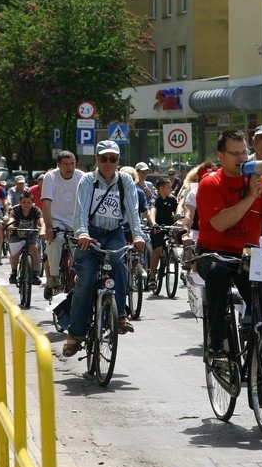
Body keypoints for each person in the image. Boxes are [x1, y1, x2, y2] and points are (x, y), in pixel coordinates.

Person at [196, 129, 262, 358]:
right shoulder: (210, 184)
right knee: (217, 275)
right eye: (235, 154)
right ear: (221, 156)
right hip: (214, 252)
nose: (242, 158)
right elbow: (220, 223)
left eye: (244, 152)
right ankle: (216, 339)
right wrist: (249, 198)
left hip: (247, 254)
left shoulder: (260, 182)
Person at [63, 140, 146, 357]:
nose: (108, 163)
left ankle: (120, 316)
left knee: (119, 264)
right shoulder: (88, 181)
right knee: (87, 278)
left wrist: (137, 236)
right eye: (104, 159)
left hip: (114, 233)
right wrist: (82, 233)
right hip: (90, 234)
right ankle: (76, 334)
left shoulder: (126, 180)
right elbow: (80, 210)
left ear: (118, 160)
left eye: (113, 159)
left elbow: (133, 210)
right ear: (97, 160)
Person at [41, 151, 84, 292]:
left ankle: (79, 277)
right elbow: (46, 203)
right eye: (65, 164)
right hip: (56, 218)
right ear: (58, 165)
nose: (69, 167)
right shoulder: (50, 177)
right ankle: (54, 275)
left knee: (80, 247)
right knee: (55, 239)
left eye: (72, 163)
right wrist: (48, 227)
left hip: (75, 220)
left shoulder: (82, 177)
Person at [146, 177, 179, 290]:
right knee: (158, 249)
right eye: (169, 187)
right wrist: (154, 223)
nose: (171, 189)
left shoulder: (172, 199)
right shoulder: (155, 199)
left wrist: (179, 219)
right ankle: (152, 277)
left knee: (172, 242)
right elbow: (152, 211)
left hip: (169, 227)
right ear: (161, 188)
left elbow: (177, 211)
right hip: (157, 228)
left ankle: (170, 256)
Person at [6, 192, 44, 287]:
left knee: (34, 248)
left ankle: (35, 274)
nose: (26, 205)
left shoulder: (36, 210)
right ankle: (14, 272)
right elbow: (11, 220)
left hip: (31, 235)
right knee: (15, 252)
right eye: (24, 202)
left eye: (28, 202)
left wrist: (43, 228)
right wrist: (10, 226)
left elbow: (41, 221)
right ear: (20, 202)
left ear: (32, 203)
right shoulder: (16, 210)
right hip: (16, 235)